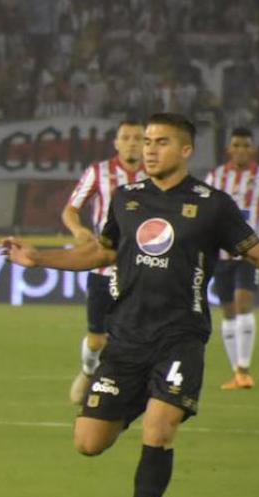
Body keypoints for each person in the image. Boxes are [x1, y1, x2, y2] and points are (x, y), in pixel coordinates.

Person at [0, 113, 259, 497]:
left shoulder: (212, 204)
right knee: (88, 443)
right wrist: (39, 258)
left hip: (180, 336)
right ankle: (141, 398)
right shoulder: (126, 199)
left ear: (185, 151)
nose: (148, 149)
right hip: (126, 337)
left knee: (159, 431)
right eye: (146, 141)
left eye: (160, 142)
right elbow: (100, 251)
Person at [62, 119, 146, 404]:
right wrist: (78, 230)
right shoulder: (99, 173)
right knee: (97, 339)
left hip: (143, 269)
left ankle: (130, 387)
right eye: (126, 137)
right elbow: (71, 210)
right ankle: (88, 371)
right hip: (103, 267)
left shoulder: (158, 175)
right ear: (117, 142)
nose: (132, 142)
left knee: (138, 335)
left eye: (138, 137)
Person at [204, 127, 259, 390]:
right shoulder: (215, 177)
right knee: (228, 312)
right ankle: (236, 372)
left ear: (253, 150)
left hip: (251, 254)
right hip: (221, 254)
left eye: (245, 145)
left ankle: (244, 368)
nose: (240, 150)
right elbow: (205, 216)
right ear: (229, 149)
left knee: (243, 303)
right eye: (236, 145)